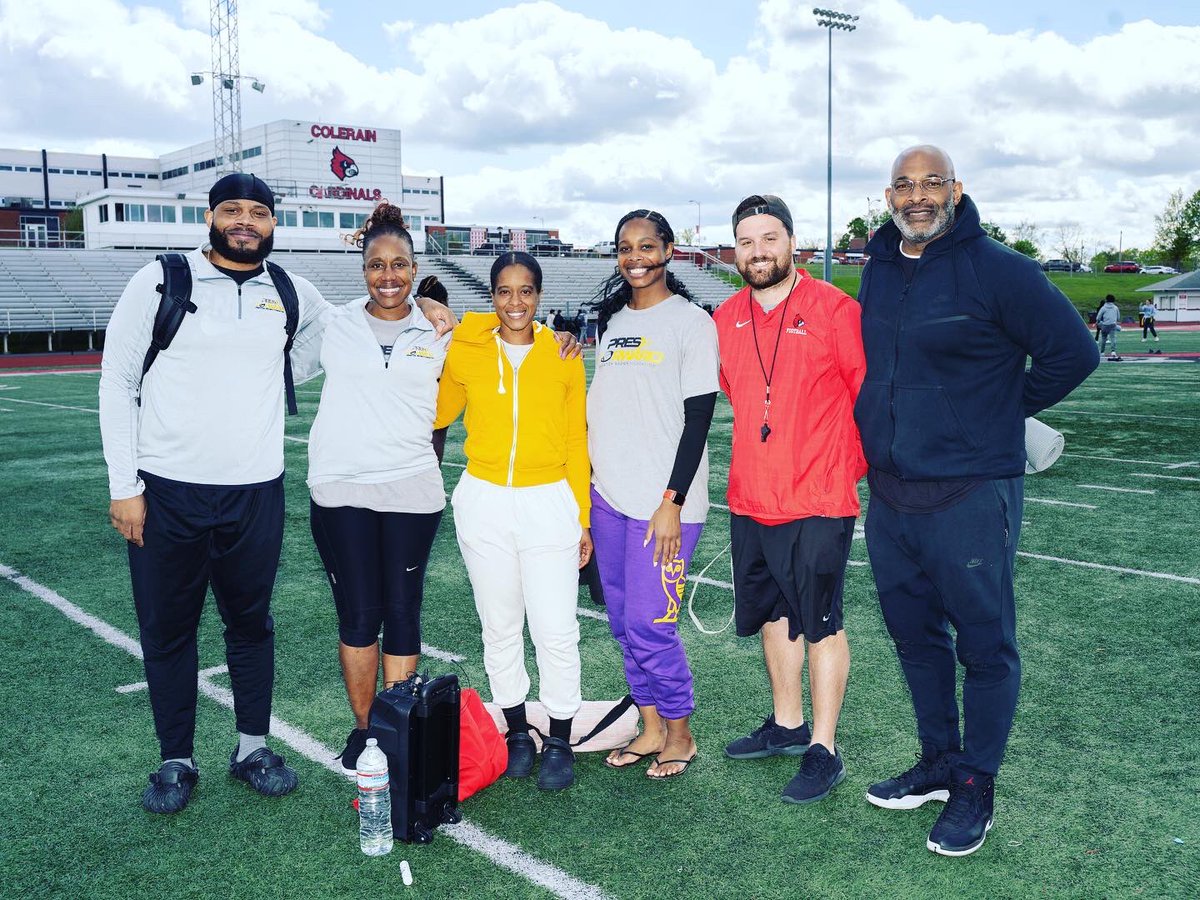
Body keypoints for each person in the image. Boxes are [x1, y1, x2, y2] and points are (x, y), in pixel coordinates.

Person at [98, 174, 457, 815]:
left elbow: (354, 325)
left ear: (272, 223)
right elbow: (117, 379)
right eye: (232, 210)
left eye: (258, 212)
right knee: (168, 630)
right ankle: (175, 760)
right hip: (167, 490)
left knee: (251, 626)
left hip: (254, 491)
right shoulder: (160, 280)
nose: (245, 221)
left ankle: (252, 747)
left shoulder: (290, 291)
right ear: (210, 216)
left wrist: (430, 305)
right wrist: (124, 485)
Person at [856, 145, 1098, 856]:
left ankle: (975, 786)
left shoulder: (1000, 268)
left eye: (932, 183)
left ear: (956, 190)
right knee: (915, 638)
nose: (917, 195)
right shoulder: (879, 269)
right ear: (890, 195)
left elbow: (1074, 354)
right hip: (893, 495)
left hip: (970, 491)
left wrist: (994, 413)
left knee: (985, 647)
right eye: (904, 185)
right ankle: (937, 761)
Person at [713, 195, 866, 805]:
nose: (758, 251)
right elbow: (733, 393)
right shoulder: (725, 317)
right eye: (747, 241)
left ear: (792, 242)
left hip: (820, 497)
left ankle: (823, 748)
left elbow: (865, 394)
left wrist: (840, 471)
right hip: (752, 497)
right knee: (773, 616)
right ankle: (786, 724)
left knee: (820, 620)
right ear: (735, 250)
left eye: (769, 238)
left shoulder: (835, 309)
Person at [434, 252, 591, 791]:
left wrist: (583, 519)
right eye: (504, 292)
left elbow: (576, 441)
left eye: (526, 291)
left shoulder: (564, 355)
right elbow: (436, 412)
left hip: (549, 502)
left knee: (555, 629)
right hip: (484, 501)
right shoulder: (470, 349)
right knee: (500, 627)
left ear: (540, 296)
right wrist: (466, 328)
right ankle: (518, 731)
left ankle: (561, 737)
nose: (515, 303)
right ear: (492, 296)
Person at [306, 201, 452, 771]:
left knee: (404, 612)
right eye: (376, 264)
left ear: (415, 268)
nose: (388, 275)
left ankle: (398, 729)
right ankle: (366, 730)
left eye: (399, 264)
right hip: (341, 489)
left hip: (413, 490)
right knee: (360, 615)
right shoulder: (333, 324)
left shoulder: (441, 328)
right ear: (362, 267)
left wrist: (564, 337)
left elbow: (514, 323)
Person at [587, 210, 719, 779]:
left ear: (668, 250)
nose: (635, 257)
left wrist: (672, 501)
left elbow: (699, 421)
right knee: (621, 623)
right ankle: (650, 726)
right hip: (609, 498)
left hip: (665, 507)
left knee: (650, 624)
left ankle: (681, 734)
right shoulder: (612, 322)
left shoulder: (691, 322)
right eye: (625, 248)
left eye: (647, 246)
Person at [1096, 294, 1122, 360]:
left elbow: (1098, 317)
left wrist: (1098, 322)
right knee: (1113, 338)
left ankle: (1102, 352)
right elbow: (1118, 318)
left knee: (1104, 338)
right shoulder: (1115, 307)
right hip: (1113, 325)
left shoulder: (1103, 308)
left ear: (1106, 300)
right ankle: (1113, 351)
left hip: (1105, 325)